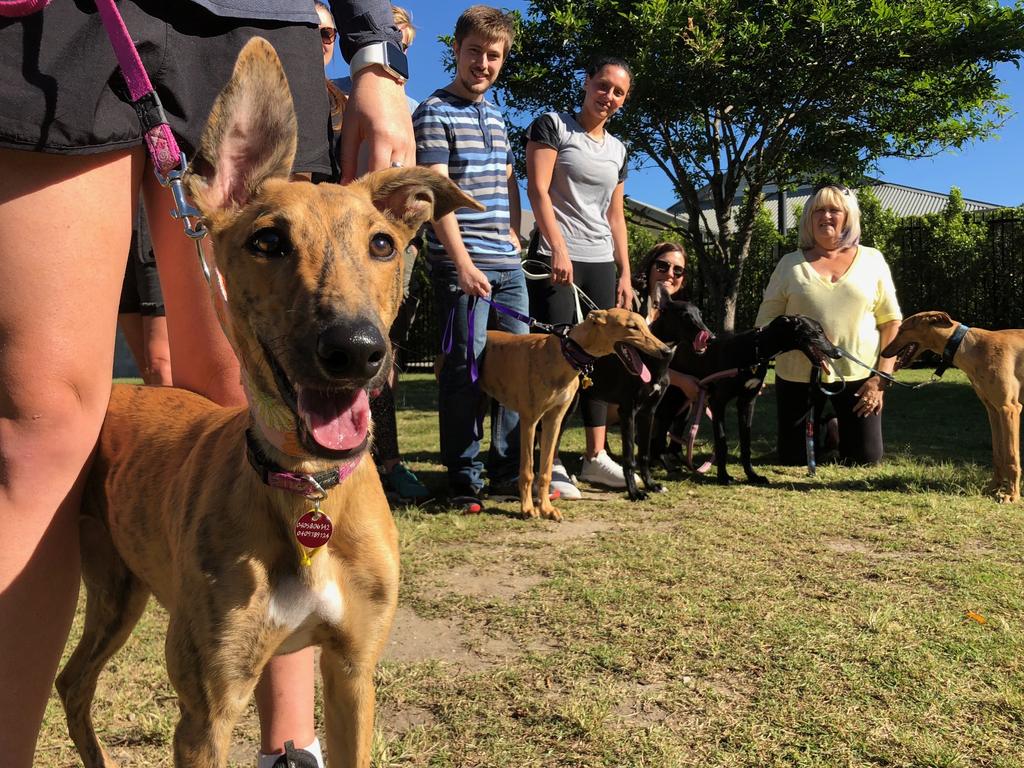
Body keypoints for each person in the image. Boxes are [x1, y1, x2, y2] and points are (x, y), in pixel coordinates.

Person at [0, 2, 413, 767]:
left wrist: (375, 55)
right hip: (55, 26)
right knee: (42, 428)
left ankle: (286, 750)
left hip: (247, 8)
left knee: (238, 398)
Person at [412, 5, 526, 509]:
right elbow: (436, 193)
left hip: (507, 263)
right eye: (475, 52)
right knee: (465, 367)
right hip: (464, 263)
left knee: (516, 371)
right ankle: (464, 475)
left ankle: (506, 467)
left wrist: (516, 233)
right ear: (455, 50)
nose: (483, 62)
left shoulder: (499, 116)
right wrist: (461, 262)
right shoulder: (434, 112)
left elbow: (507, 178)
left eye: (494, 55)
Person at [525, 55, 635, 496]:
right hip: (558, 260)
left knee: (601, 359)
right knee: (556, 359)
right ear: (587, 82)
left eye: (618, 92)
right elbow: (537, 190)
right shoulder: (553, 125)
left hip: (601, 262)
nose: (607, 97)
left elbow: (616, 215)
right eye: (603, 85)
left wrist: (625, 273)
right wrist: (558, 248)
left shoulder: (618, 150)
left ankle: (595, 457)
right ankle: (544, 463)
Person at [754, 183, 902, 466]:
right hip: (799, 376)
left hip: (860, 376)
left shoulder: (873, 259)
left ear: (848, 217)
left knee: (866, 459)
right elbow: (766, 324)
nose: (826, 216)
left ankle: (833, 426)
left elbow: (891, 322)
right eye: (818, 210)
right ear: (809, 219)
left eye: (835, 209)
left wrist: (880, 380)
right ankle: (824, 424)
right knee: (793, 459)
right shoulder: (789, 264)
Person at [633, 241, 700, 402]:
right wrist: (681, 381)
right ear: (649, 267)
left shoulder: (675, 312)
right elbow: (632, 358)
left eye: (678, 271)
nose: (670, 274)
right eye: (662, 266)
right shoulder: (631, 300)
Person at [118, 203, 172, 387]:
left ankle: (175, 415)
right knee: (148, 369)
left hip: (153, 233)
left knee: (160, 364)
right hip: (114, 237)